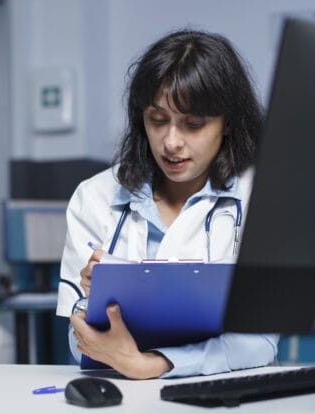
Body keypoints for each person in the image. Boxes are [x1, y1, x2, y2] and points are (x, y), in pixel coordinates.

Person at [56, 29, 278, 379]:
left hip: (225, 394)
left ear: (228, 124)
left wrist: (152, 364)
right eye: (157, 120)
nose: (171, 142)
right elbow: (76, 337)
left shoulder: (261, 196)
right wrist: (90, 305)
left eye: (193, 124)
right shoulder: (95, 197)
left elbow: (260, 340)